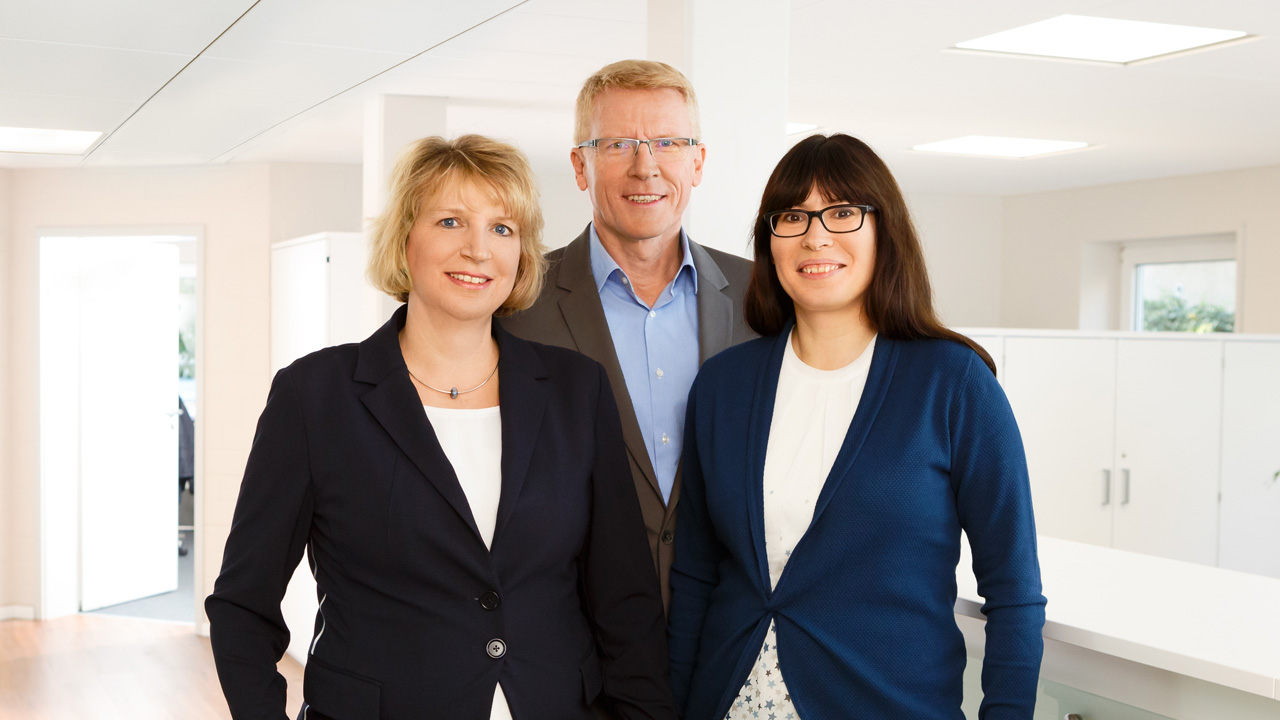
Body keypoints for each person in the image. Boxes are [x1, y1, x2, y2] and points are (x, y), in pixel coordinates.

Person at [206, 135, 675, 720]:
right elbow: (241, 606)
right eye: (451, 221)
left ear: (523, 254)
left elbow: (624, 602)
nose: (478, 250)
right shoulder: (315, 395)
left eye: (503, 229)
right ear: (404, 239)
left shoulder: (578, 390)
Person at [667, 133, 1046, 719]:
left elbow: (1014, 589)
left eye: (842, 212)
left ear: (884, 231)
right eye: (792, 216)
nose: (816, 235)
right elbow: (695, 575)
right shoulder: (723, 386)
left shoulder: (953, 382)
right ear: (770, 242)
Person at [500, 60, 755, 611]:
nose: (646, 167)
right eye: (618, 145)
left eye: (667, 142)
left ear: (698, 161)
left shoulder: (762, 298)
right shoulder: (517, 304)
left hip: (722, 641)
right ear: (580, 166)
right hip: (573, 646)